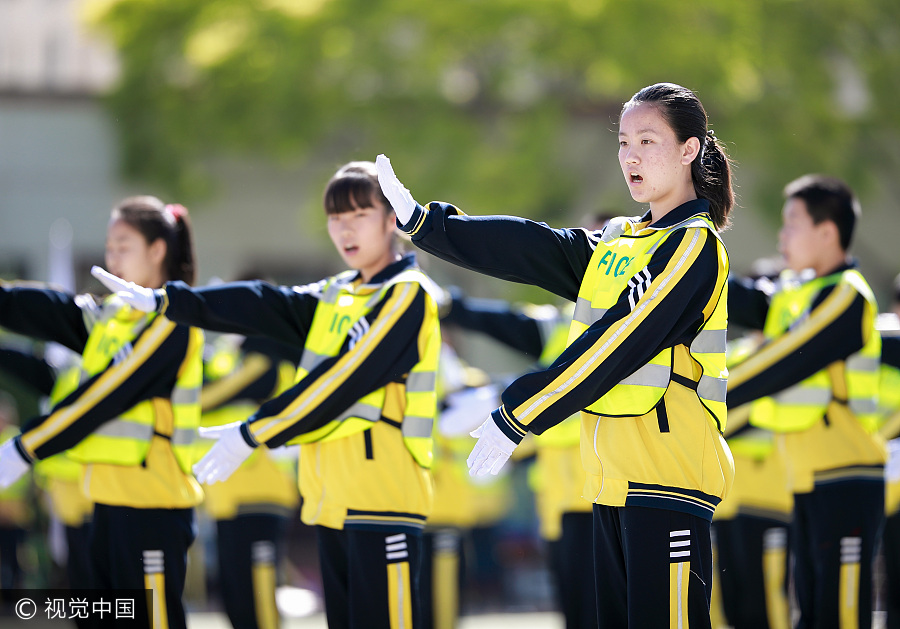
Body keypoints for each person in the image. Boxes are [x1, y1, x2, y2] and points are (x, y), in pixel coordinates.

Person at [376, 80, 735, 627]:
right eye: (622, 143)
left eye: (648, 141)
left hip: (670, 476)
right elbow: (532, 246)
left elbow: (619, 344)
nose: (630, 156)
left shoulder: (694, 246)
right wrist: (427, 225)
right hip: (614, 478)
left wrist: (518, 413)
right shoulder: (619, 240)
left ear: (689, 150)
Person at [93, 161, 443, 629]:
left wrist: (253, 433)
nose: (344, 229)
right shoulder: (336, 294)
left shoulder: (407, 295)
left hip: (384, 501)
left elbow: (340, 385)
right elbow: (264, 302)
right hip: (332, 502)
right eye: (335, 218)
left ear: (391, 219)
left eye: (359, 214)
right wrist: (169, 301)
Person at [0, 196, 204, 628]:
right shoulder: (113, 318)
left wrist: (25, 448)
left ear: (157, 250)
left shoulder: (174, 320)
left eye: (123, 245)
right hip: (105, 503)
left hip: (152, 504)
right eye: (109, 247)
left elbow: (103, 396)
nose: (112, 257)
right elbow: (49, 312)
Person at [726, 175, 885, 629]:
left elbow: (783, 360)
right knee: (811, 613)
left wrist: (711, 393)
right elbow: (742, 305)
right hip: (806, 478)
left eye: (792, 223)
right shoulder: (795, 297)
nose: (782, 237)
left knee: (840, 613)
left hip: (847, 477)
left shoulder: (846, 294)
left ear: (827, 232)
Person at [197, 331, 302, 629]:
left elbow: (204, 399)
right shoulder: (229, 358)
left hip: (261, 492)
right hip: (226, 497)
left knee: (258, 598)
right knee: (236, 598)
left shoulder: (267, 356)